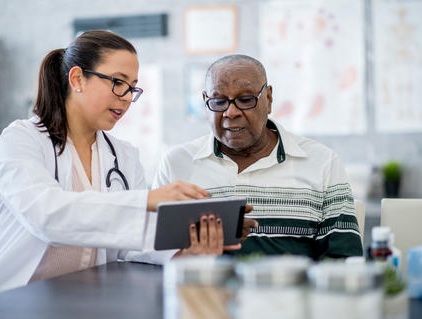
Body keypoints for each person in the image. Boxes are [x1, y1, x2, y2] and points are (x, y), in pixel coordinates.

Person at [0, 31, 240, 292]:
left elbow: (131, 241)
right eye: (117, 82)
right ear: (77, 78)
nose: (126, 97)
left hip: (89, 297)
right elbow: (46, 216)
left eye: (132, 87)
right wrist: (146, 201)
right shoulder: (21, 140)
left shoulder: (123, 155)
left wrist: (186, 251)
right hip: (18, 297)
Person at [147, 54, 363, 262]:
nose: (231, 112)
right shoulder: (177, 163)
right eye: (219, 101)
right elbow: (149, 252)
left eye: (245, 99)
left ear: (268, 99)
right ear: (205, 102)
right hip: (203, 295)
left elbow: (344, 259)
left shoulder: (322, 162)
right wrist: (191, 254)